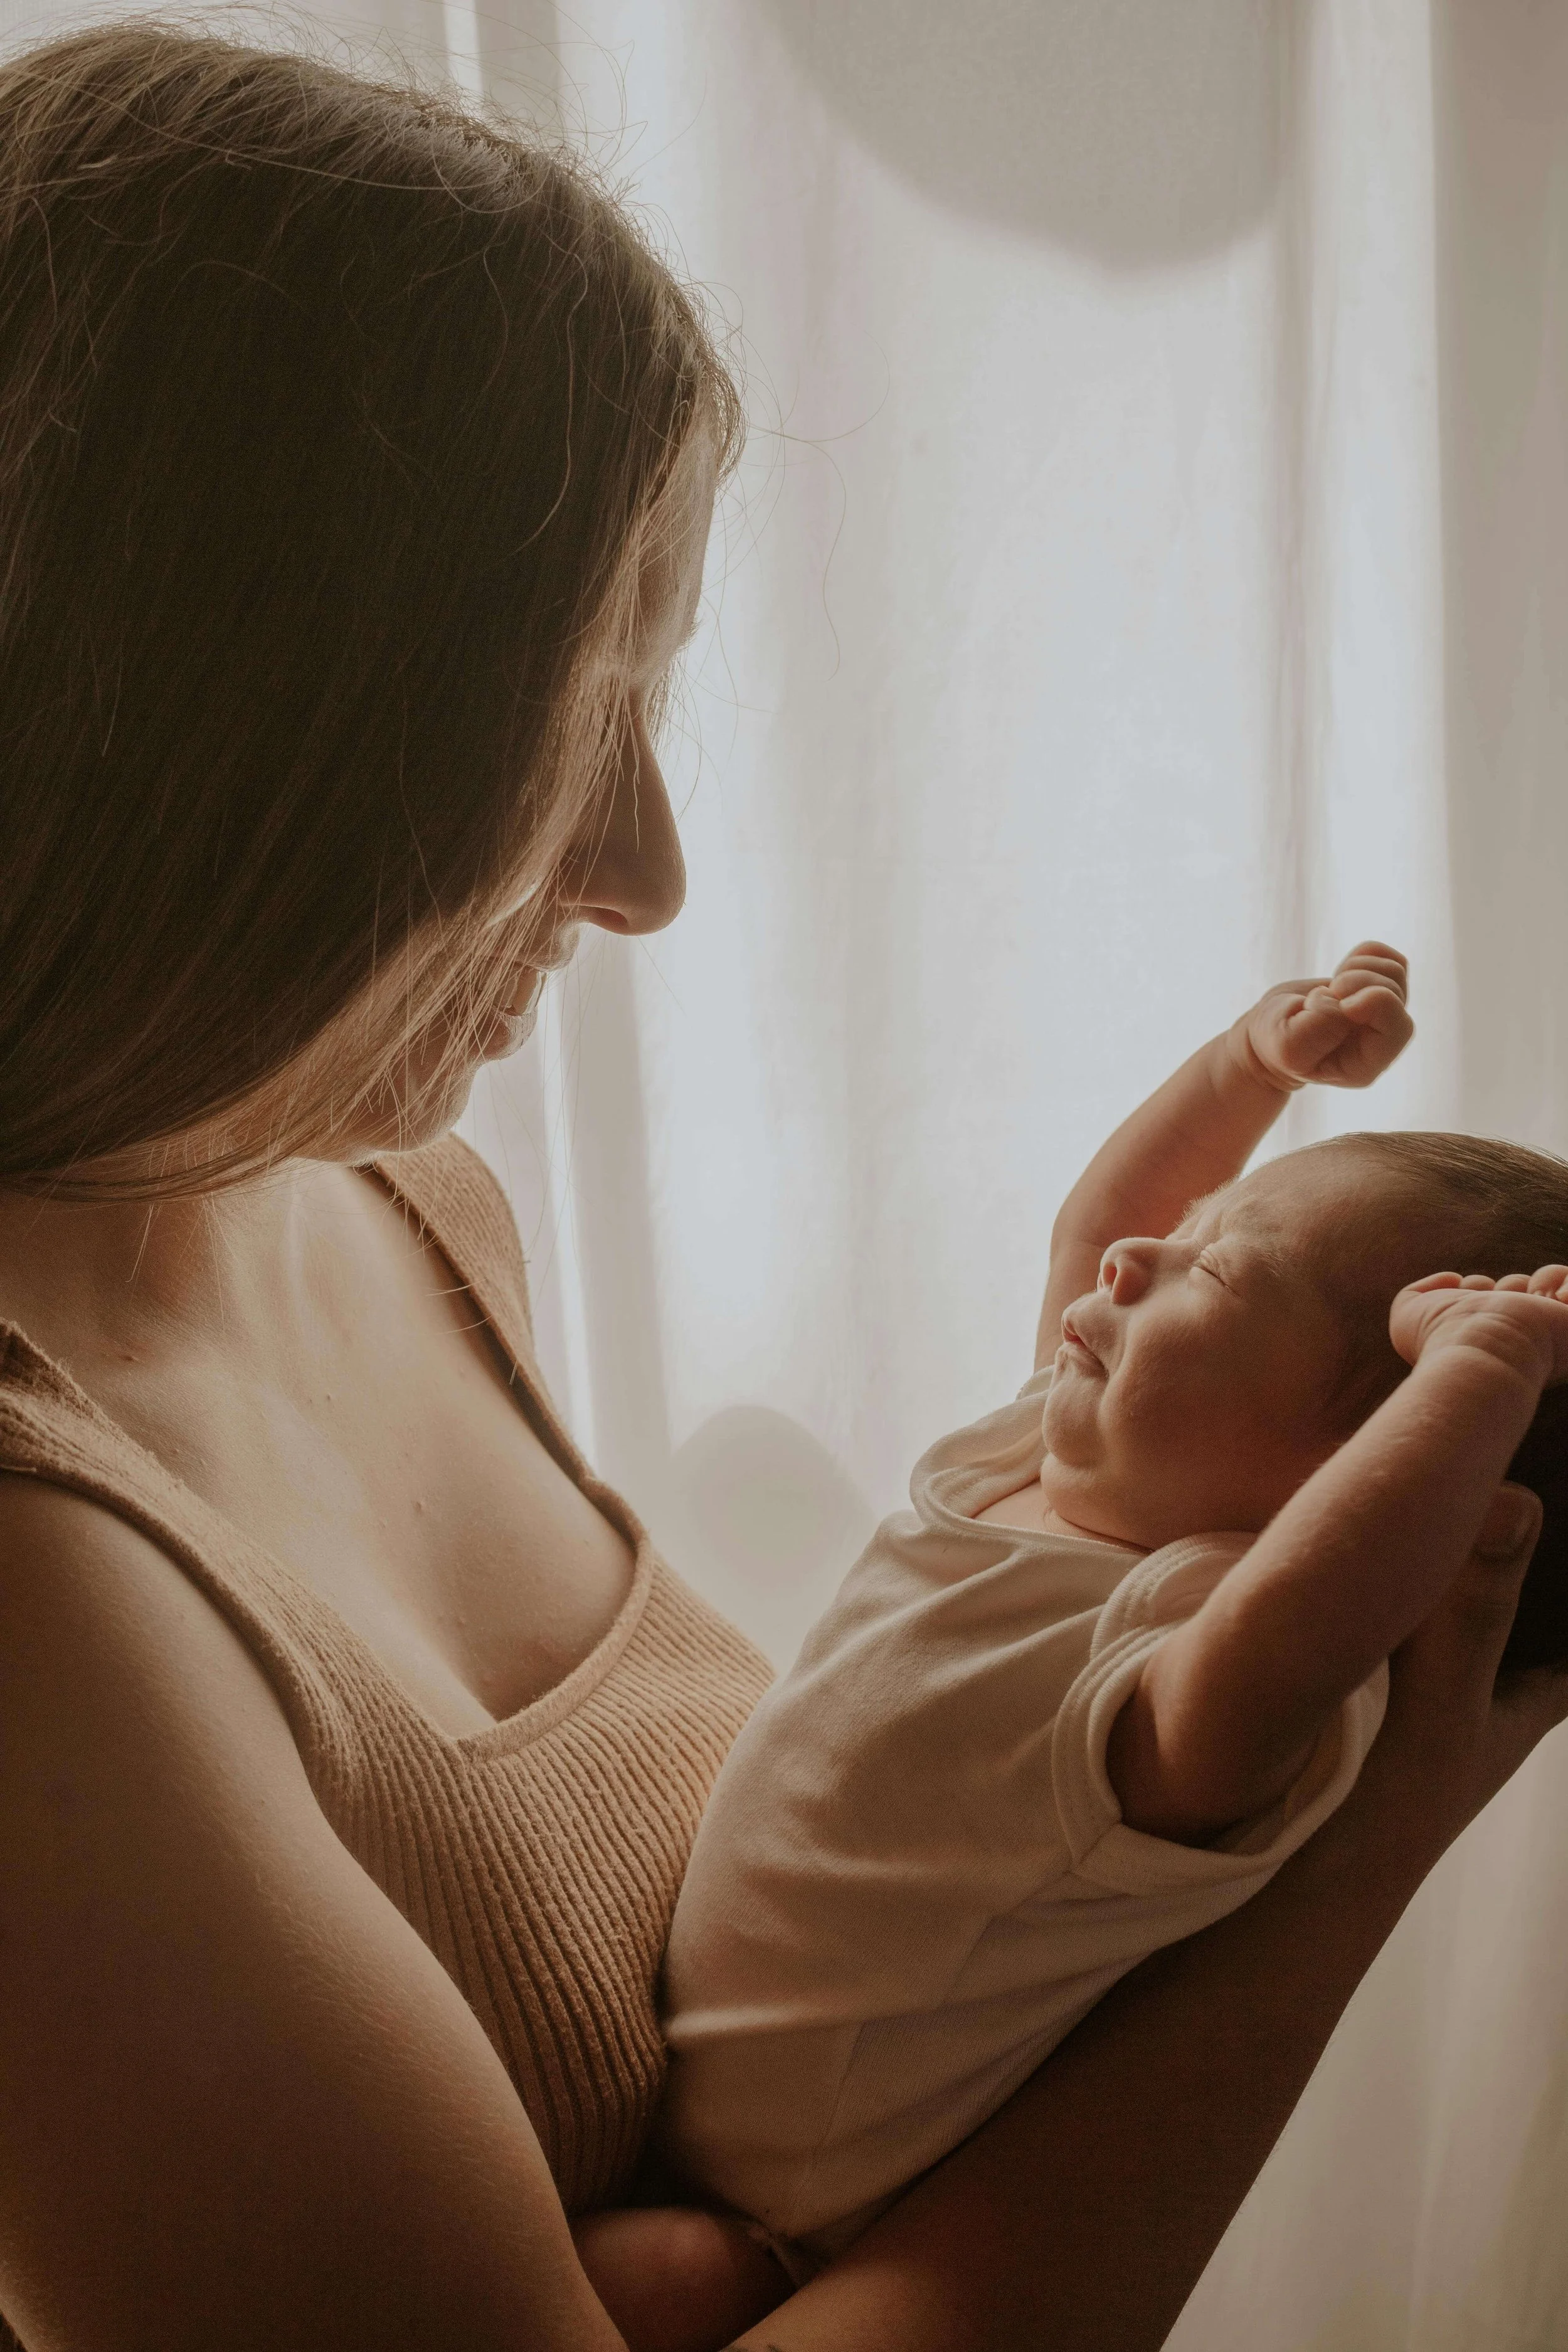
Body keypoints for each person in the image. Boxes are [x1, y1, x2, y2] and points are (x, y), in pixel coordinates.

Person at [0, 25, 1560, 2352]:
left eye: (655, 705)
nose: (648, 869)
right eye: (559, 723)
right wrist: (1360, 1860)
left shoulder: (406, 1195)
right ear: (234, 732)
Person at [661, 945, 1568, 2280]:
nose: (1143, 1255)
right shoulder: (1051, 1457)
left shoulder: (1185, 1650)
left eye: (1213, 1273)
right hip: (686, 2073)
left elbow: (1316, 1611)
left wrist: (1476, 1378)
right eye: (1199, 1224)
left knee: (640, 2287)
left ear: (1344, 1478)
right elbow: (1101, 1224)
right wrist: (1239, 1070)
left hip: (786, 2205)